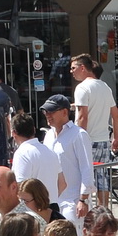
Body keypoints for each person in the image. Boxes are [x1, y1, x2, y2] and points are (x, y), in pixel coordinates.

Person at [70, 55, 118, 210]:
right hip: (103, 139)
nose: (72, 72)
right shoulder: (105, 86)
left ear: (82, 67)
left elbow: (83, 117)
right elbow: (116, 115)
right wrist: (116, 137)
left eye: (73, 68)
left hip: (88, 140)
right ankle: (103, 211)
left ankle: (82, 208)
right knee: (102, 176)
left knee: (81, 176)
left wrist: (78, 138)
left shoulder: (82, 87)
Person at [42, 94, 94, 223]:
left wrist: (83, 200)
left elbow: (87, 168)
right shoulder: (48, 135)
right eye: (45, 111)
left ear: (65, 112)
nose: (47, 114)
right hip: (52, 201)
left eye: (51, 111)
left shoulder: (79, 135)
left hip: (73, 202)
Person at [10, 111, 61, 204]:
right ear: (34, 130)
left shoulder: (22, 153)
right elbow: (62, 184)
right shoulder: (50, 152)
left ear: (13, 133)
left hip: (33, 210)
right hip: (52, 207)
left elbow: (20, 186)